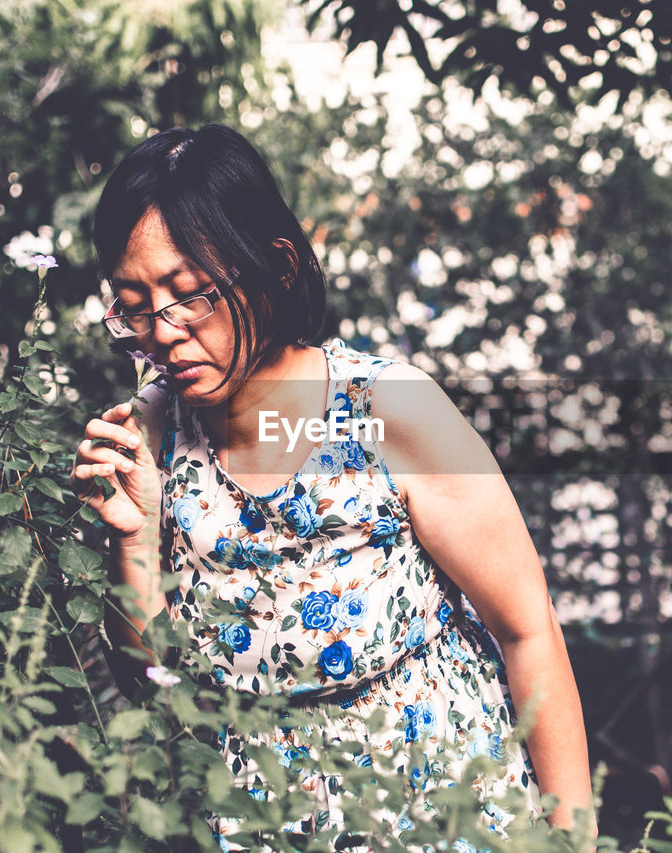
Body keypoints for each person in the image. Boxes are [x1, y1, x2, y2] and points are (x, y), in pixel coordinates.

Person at [70, 124, 592, 845]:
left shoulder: (386, 410)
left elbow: (526, 628)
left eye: (191, 295)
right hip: (267, 824)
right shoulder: (152, 433)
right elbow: (153, 685)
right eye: (135, 303)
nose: (164, 332)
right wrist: (130, 539)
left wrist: (573, 839)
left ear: (276, 266)